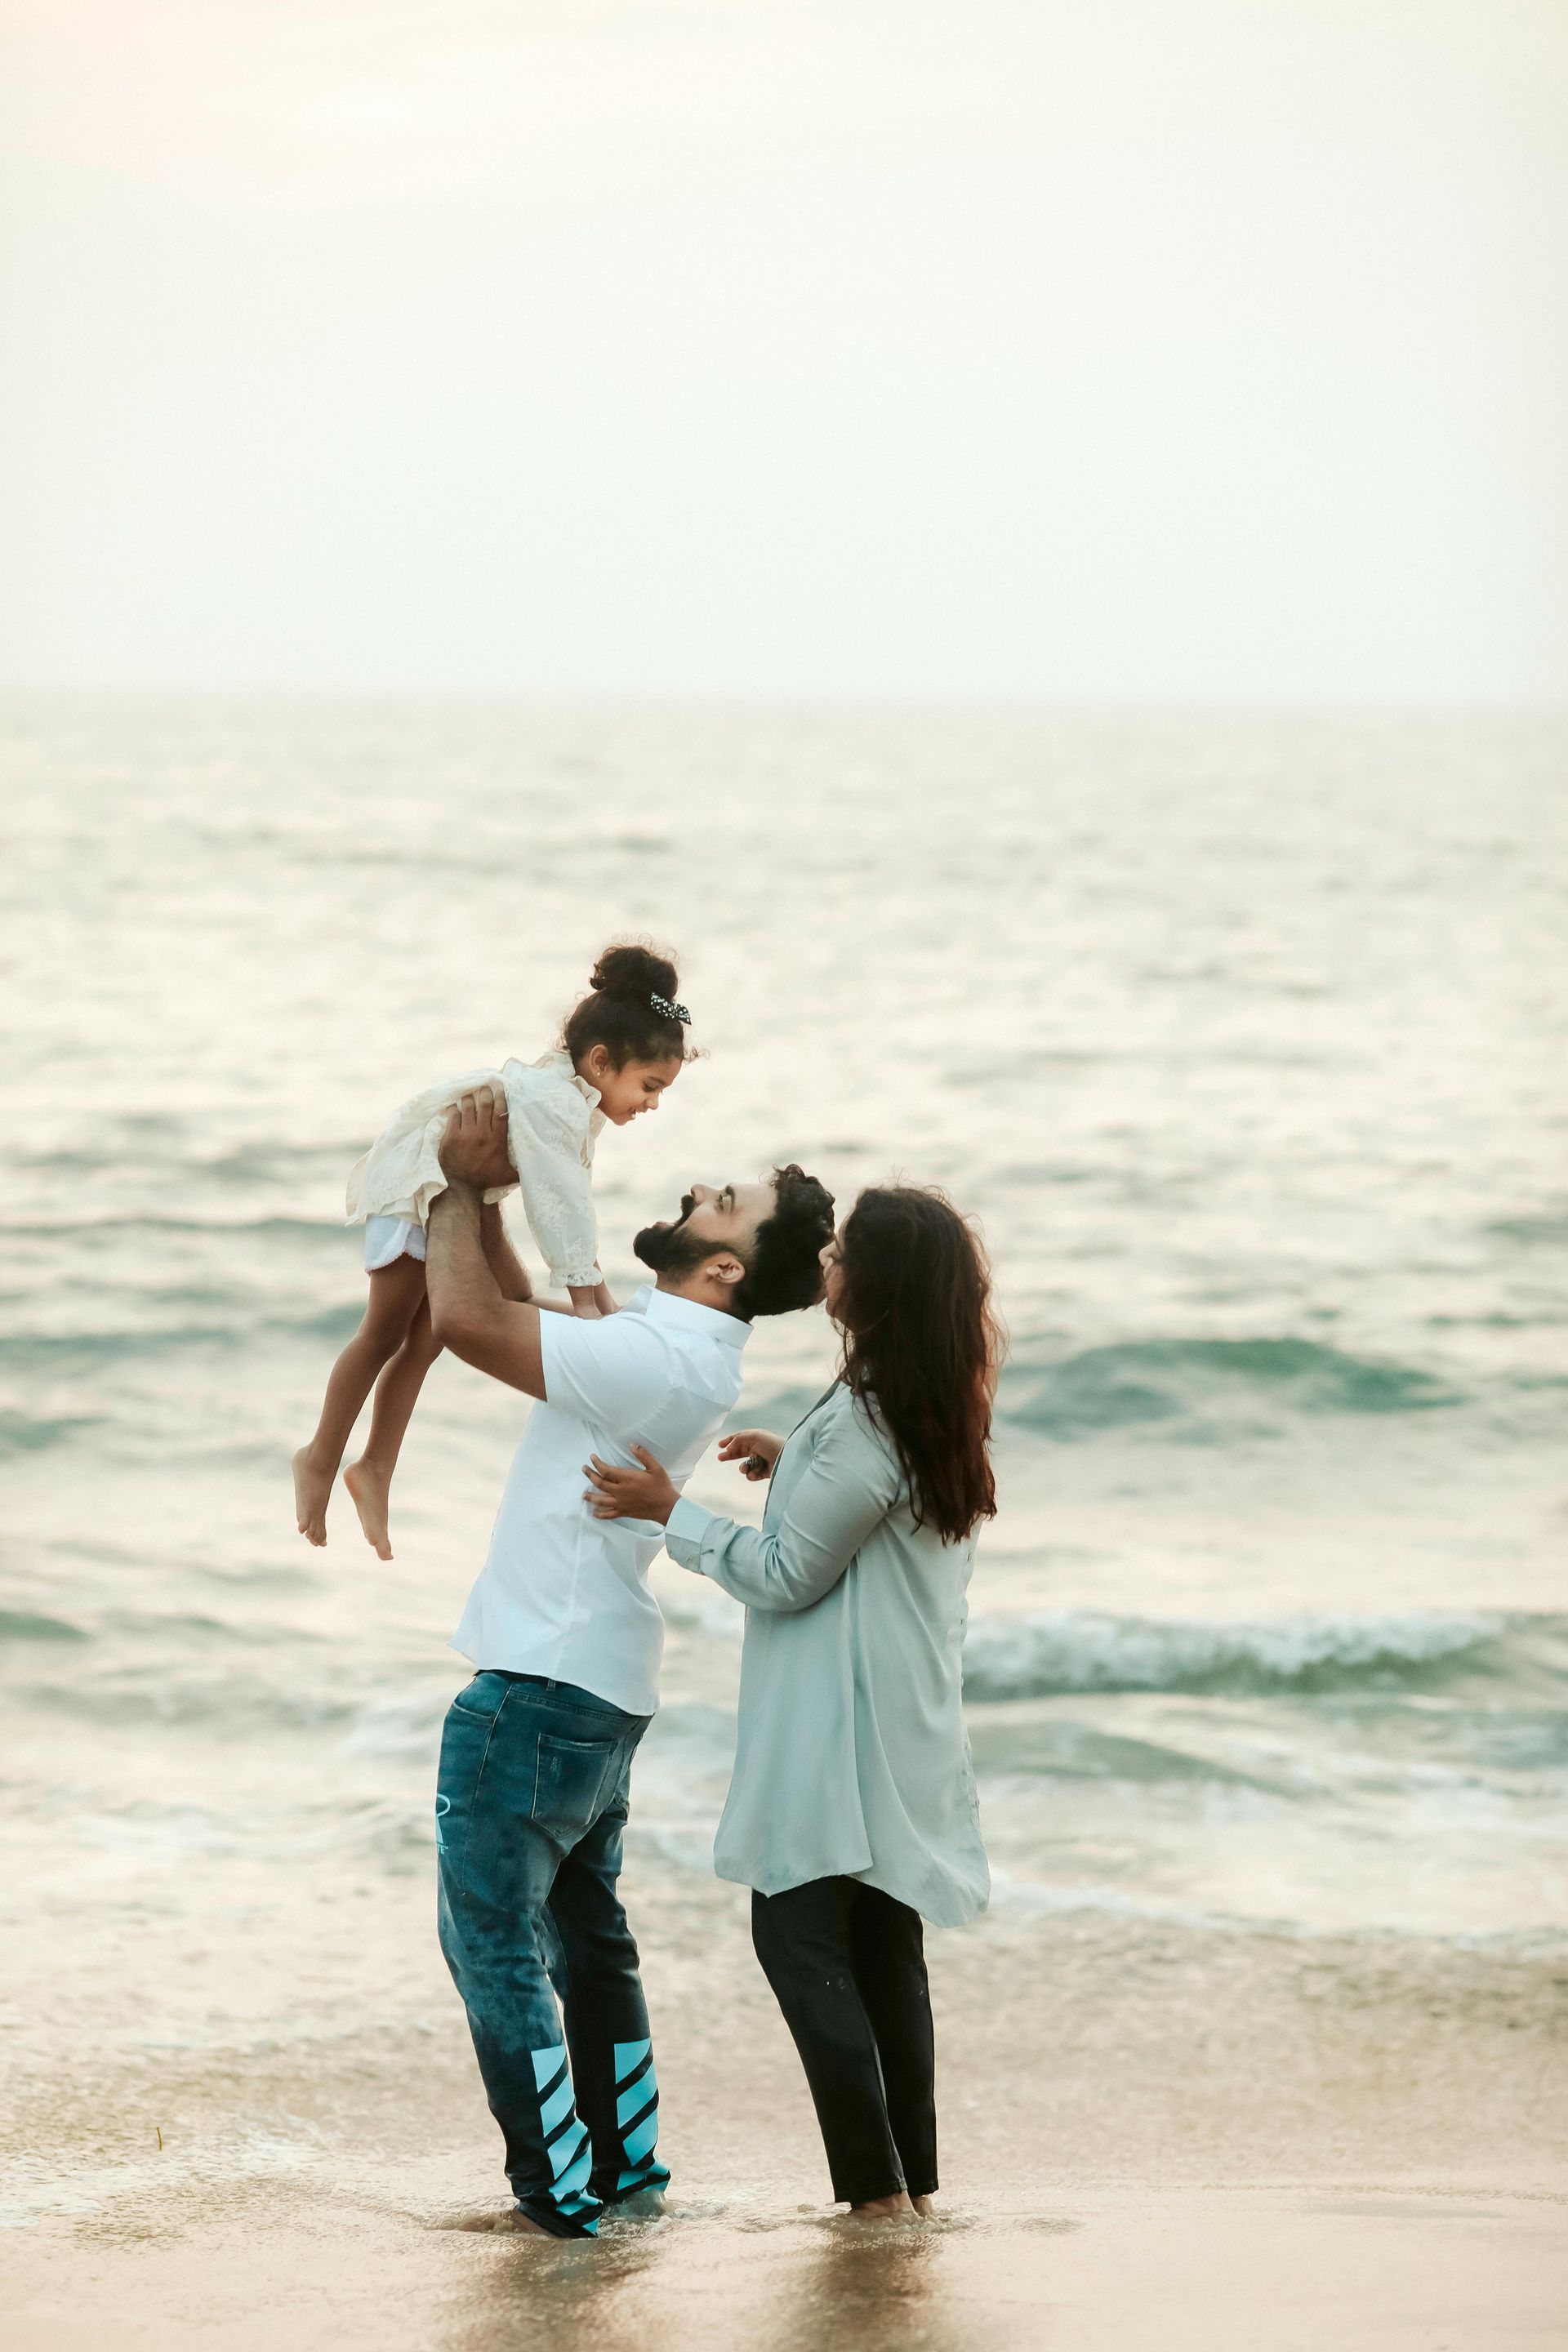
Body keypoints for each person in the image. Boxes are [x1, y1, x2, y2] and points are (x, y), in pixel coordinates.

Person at [425, 1085, 835, 2238]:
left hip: (539, 1686)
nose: (699, 1191)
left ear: (723, 1270)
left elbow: (463, 1322)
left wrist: (453, 1181)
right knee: (586, 1944)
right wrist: (493, 1195)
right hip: (595, 1690)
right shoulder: (674, 1350)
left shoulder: (655, 1357)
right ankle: (629, 2172)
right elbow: (504, 1297)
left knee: (494, 1941)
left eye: (727, 1205)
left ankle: (560, 2193)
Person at [586, 1183, 998, 2224]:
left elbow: (782, 1577)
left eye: (845, 1255)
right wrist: (794, 1461)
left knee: (800, 1938)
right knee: (880, 1946)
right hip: (899, 1714)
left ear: (881, 1288)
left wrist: (671, 1512)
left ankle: (875, 2198)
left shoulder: (868, 1420)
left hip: (842, 1725)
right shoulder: (923, 1399)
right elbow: (853, 1518)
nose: (827, 1267)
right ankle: (912, 2191)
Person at [292, 940, 691, 1560]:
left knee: (426, 1341)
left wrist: (598, 1299)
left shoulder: (572, 1097)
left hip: (446, 1190)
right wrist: (589, 1303)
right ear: (601, 1060)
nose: (653, 1102)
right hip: (415, 1183)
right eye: (649, 1084)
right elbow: (560, 1204)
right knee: (384, 1334)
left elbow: (562, 1195)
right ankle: (318, 1457)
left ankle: (374, 1467)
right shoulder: (558, 1101)